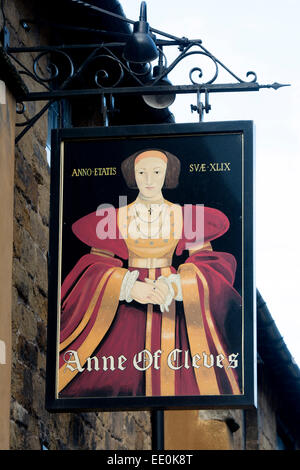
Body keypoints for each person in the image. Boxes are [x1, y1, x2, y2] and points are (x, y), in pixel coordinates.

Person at [58, 149, 242, 398]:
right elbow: (93, 266)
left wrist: (176, 286)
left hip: (172, 305)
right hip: (126, 308)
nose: (149, 179)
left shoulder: (185, 215)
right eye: (142, 172)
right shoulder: (113, 217)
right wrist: (128, 286)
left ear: (167, 174)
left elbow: (207, 262)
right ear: (133, 175)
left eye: (156, 172)